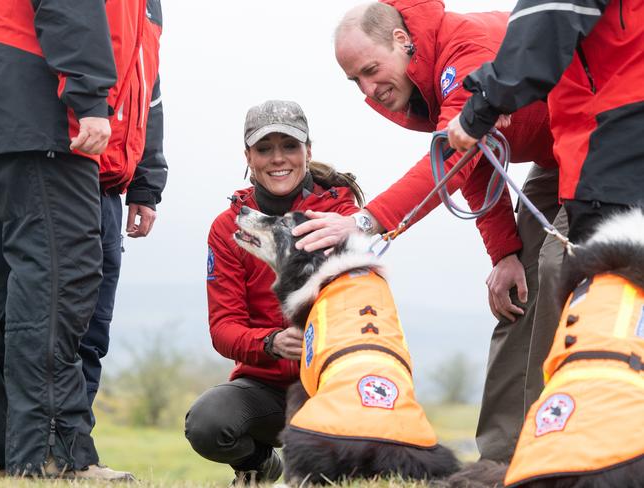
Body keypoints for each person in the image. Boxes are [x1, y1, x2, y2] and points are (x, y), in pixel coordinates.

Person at [292, 1, 565, 462]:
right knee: (520, 292)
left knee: (559, 266)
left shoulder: (465, 51)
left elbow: (453, 163)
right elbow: (480, 161)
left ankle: (551, 447)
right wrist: (504, 255)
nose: (368, 88)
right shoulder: (421, 79)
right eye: (355, 79)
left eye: (371, 70)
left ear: (402, 41)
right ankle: (499, 459)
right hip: (554, 154)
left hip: (601, 141)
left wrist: (364, 220)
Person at [184, 100, 363, 483]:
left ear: (308, 151)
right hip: (265, 385)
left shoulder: (341, 218)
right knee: (208, 424)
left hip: (335, 382)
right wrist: (271, 342)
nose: (277, 158)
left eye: (290, 146)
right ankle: (259, 465)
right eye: (264, 148)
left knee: (323, 474)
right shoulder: (228, 228)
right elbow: (224, 327)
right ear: (248, 156)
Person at [0, 0, 116, 478]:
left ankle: (8, 449)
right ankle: (51, 454)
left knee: (8, 293)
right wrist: (90, 99)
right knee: (55, 286)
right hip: (42, 120)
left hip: (8, 119)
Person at [446, 0, 644, 244]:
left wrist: (481, 109)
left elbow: (547, 21)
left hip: (616, 147)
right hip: (616, 139)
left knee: (610, 274)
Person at [77, 0, 168, 476]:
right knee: (52, 322)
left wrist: (147, 184)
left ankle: (76, 451)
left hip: (110, 186)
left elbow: (149, 93)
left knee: (92, 330)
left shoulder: (152, 8)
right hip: (63, 166)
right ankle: (43, 449)